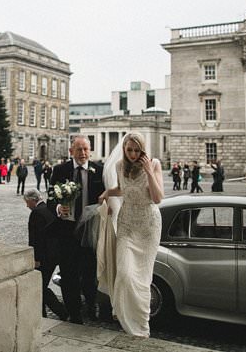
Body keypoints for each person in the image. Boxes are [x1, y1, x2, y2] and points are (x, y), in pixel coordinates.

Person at [98, 132, 164, 338]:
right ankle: (125, 316)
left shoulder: (154, 164)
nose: (133, 154)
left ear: (142, 149)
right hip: (127, 224)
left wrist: (149, 172)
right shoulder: (119, 166)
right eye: (129, 150)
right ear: (124, 149)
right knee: (125, 274)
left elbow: (157, 197)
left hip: (148, 225)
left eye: (137, 150)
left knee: (142, 277)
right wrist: (107, 194)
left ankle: (141, 325)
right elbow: (123, 189)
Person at [47, 136, 105, 324]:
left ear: (90, 151)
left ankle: (91, 305)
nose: (83, 153)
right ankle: (74, 312)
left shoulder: (99, 171)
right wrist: (57, 208)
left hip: (90, 230)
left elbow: (106, 197)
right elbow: (50, 199)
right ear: (71, 151)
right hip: (67, 231)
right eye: (79, 149)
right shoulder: (60, 170)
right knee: (69, 273)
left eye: (86, 149)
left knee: (90, 272)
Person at [23, 189, 68, 320]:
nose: (27, 206)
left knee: (40, 286)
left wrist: (36, 258)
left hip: (44, 256)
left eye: (27, 202)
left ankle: (61, 312)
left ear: (32, 200)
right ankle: (42, 312)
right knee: (41, 285)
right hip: (54, 254)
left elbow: (35, 238)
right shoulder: (50, 208)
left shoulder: (36, 213)